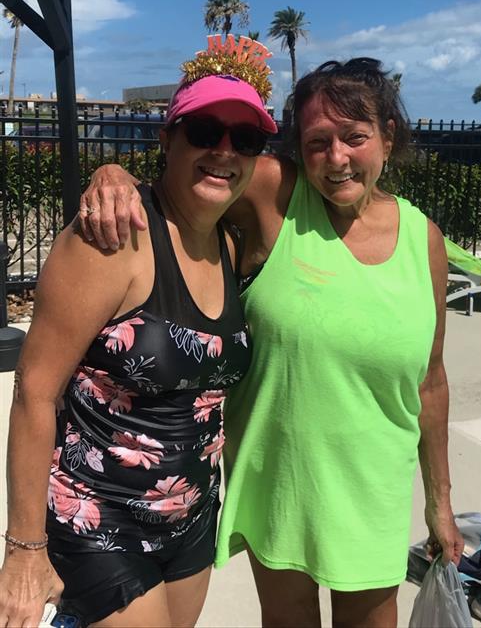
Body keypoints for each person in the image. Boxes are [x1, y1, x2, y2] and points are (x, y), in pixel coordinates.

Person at [78, 56, 464, 628]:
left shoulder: (423, 239)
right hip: (280, 484)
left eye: (355, 137)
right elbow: (189, 173)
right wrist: (110, 175)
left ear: (388, 137)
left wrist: (440, 505)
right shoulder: (279, 195)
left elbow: (431, 381)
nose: (336, 159)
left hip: (374, 490)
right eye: (317, 142)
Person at [0, 57, 278, 627]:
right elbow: (34, 392)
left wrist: (110, 167)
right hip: (99, 520)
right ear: (167, 139)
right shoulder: (113, 238)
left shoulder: (230, 243)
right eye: (204, 132)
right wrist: (23, 550)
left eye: (245, 139)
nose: (225, 151)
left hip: (192, 519)